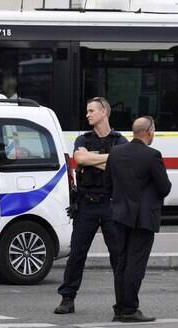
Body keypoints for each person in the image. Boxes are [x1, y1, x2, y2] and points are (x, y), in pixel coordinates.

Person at [55, 97, 128, 315]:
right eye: (87, 111)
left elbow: (120, 165)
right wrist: (108, 159)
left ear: (104, 112)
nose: (87, 114)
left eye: (91, 110)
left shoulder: (120, 140)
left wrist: (94, 158)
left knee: (118, 256)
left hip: (111, 204)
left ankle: (123, 303)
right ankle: (67, 298)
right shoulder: (83, 138)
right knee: (77, 254)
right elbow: (80, 159)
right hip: (86, 204)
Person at [104, 116, 171, 323]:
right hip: (143, 218)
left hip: (119, 215)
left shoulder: (115, 153)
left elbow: (108, 185)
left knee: (121, 262)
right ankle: (130, 309)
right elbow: (165, 187)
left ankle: (119, 308)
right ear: (149, 131)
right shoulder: (152, 155)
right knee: (135, 264)